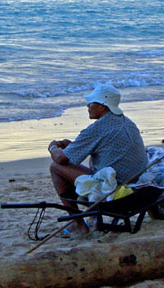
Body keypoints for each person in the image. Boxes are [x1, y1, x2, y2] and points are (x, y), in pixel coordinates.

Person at [48, 84, 148, 233]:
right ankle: (93, 217)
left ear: (103, 106)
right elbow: (102, 144)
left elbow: (62, 159)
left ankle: (79, 224)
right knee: (93, 156)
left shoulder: (97, 128)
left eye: (91, 103)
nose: (88, 106)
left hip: (116, 184)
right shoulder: (126, 121)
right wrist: (73, 146)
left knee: (55, 167)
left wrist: (53, 147)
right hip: (134, 179)